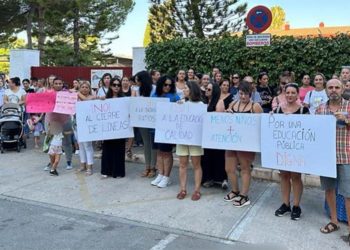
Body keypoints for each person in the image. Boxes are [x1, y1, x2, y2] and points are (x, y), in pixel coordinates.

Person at [317, 79, 350, 242]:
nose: (334, 90)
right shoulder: (320, 108)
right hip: (326, 157)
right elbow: (311, 130)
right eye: (330, 87)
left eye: (337, 87)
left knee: (348, 193)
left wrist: (347, 120)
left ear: (342, 88)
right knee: (329, 189)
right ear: (325, 89)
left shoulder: (349, 106)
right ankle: (334, 221)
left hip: (346, 155)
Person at [273, 83, 310, 220]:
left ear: (297, 94)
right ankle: (285, 204)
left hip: (297, 150)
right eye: (287, 92)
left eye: (293, 93)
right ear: (284, 93)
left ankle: (296, 206)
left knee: (295, 176)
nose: (290, 95)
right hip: (282, 149)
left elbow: (308, 131)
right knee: (283, 176)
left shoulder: (303, 111)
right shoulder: (277, 110)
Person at [224, 81, 263, 207]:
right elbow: (224, 121)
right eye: (241, 93)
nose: (243, 96)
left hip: (247, 144)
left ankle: (244, 195)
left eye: (246, 94)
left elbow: (262, 124)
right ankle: (235, 190)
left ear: (250, 94)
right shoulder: (233, 104)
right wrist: (227, 113)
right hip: (232, 142)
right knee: (229, 168)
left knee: (245, 169)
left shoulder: (255, 106)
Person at [176, 81, 204, 201]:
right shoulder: (180, 103)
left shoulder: (201, 105)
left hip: (195, 139)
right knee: (182, 164)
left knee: (196, 165)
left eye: (186, 88)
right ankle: (183, 189)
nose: (184, 90)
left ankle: (197, 190)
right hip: (182, 138)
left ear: (192, 90)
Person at [150, 75, 180, 188]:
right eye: (165, 84)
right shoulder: (154, 95)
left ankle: (167, 177)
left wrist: (180, 104)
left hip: (167, 131)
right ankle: (161, 174)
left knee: (167, 153)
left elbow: (180, 107)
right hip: (154, 130)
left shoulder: (173, 96)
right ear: (160, 84)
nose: (167, 87)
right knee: (159, 152)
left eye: (170, 85)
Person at [201, 82, 227, 189]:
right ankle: (208, 178)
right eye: (206, 89)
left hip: (216, 136)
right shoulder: (204, 102)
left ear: (215, 91)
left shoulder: (219, 102)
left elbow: (218, 119)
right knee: (206, 157)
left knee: (218, 157)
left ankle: (221, 179)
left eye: (209, 89)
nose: (206, 91)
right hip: (206, 135)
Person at [101, 77, 127, 178]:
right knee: (108, 149)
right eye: (114, 85)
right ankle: (106, 170)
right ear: (110, 86)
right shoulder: (105, 99)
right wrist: (100, 100)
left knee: (119, 150)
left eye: (118, 85)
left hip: (120, 129)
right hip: (108, 129)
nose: (116, 87)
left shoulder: (124, 99)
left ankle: (118, 171)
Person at [132, 71, 157, 178]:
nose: (136, 82)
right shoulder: (136, 90)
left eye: (138, 79)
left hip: (154, 120)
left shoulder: (155, 89)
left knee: (153, 144)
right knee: (146, 143)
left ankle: (153, 167)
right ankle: (147, 166)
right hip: (142, 120)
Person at [76, 81, 96, 176]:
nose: (84, 88)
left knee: (88, 146)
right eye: (82, 87)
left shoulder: (92, 98)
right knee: (81, 146)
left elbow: (86, 100)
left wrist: (77, 93)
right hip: (77, 124)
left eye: (86, 87)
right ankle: (83, 164)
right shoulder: (76, 98)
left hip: (88, 125)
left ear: (89, 89)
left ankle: (89, 166)